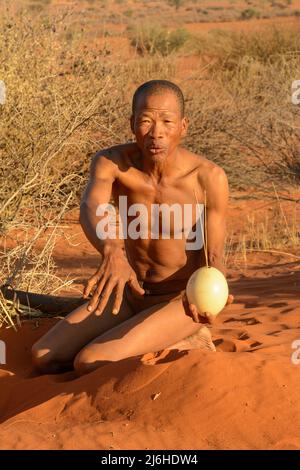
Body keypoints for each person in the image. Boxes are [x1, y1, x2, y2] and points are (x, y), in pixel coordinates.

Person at [31, 80, 233, 375]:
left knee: (89, 361)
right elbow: (91, 206)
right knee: (43, 357)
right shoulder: (111, 163)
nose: (156, 133)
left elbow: (214, 255)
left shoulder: (208, 178)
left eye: (167, 122)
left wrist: (213, 294)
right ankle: (147, 333)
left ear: (183, 127)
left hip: (179, 301)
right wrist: (112, 249)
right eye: (146, 121)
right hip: (129, 293)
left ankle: (190, 336)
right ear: (132, 123)